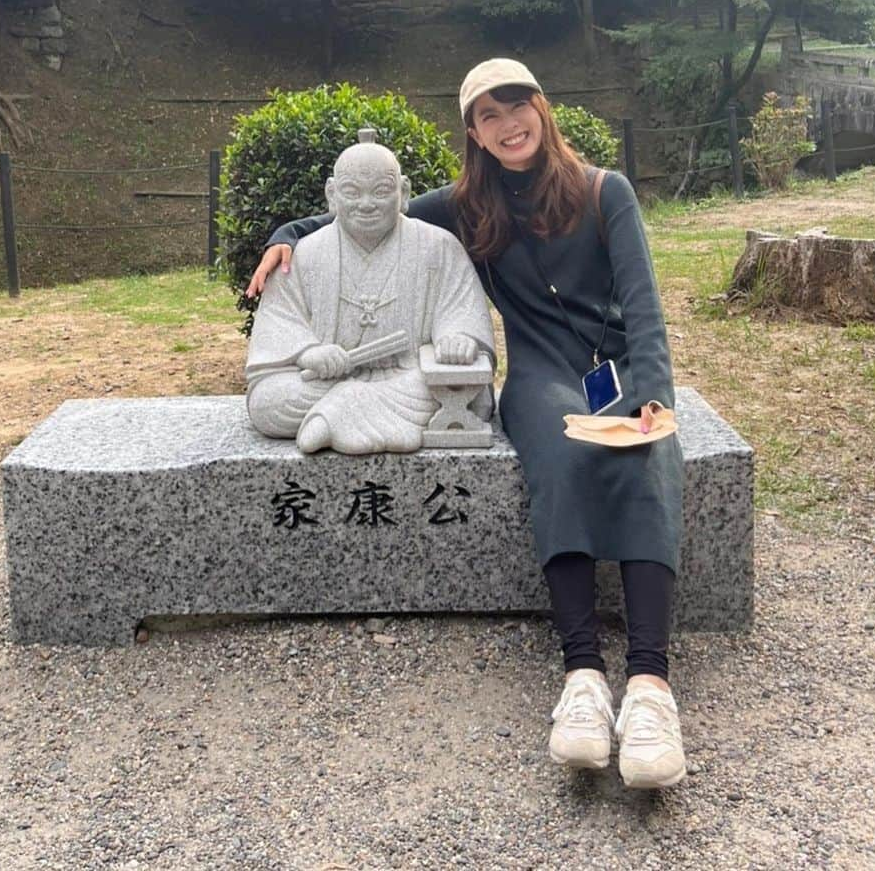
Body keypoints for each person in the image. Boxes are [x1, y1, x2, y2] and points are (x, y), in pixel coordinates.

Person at [245, 59, 687, 789]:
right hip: (541, 374)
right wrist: (288, 233)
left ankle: (649, 684)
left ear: (542, 111)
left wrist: (655, 396)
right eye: (488, 115)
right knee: (559, 454)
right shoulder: (465, 205)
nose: (507, 124)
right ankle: (582, 675)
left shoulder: (607, 192)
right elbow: (366, 209)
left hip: (619, 368)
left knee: (646, 456)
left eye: (517, 107)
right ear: (474, 133)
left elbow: (644, 309)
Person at [246, 141, 495, 454]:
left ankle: (337, 415)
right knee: (269, 403)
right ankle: (358, 413)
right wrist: (308, 352)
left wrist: (456, 336)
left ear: (403, 193)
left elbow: (461, 308)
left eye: (380, 191)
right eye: (352, 192)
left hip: (411, 377)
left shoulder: (439, 247)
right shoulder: (305, 255)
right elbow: (280, 320)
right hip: (327, 383)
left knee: (461, 392)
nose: (366, 204)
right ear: (332, 195)